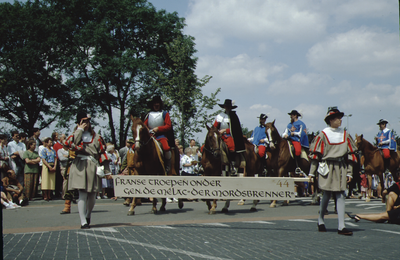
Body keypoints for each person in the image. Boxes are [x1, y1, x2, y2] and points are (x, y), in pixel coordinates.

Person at [308, 106, 358, 236]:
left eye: (340, 118)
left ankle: (341, 226)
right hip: (327, 166)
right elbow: (315, 156)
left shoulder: (345, 135)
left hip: (341, 166)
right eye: (337, 118)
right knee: (327, 194)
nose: (340, 120)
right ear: (330, 120)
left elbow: (350, 155)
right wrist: (311, 173)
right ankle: (320, 220)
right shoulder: (322, 135)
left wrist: (349, 172)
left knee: (341, 194)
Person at [64, 111, 112, 229]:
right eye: (83, 121)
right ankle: (83, 221)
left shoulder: (96, 137)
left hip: (93, 166)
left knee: (92, 195)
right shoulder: (75, 134)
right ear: (79, 122)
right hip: (80, 165)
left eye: (88, 121)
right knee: (82, 194)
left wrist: (107, 171)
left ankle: (88, 214)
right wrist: (79, 130)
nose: (86, 124)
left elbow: (102, 153)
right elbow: (70, 144)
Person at [213, 99, 245, 175]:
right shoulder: (219, 116)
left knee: (231, 146)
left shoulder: (233, 116)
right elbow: (215, 126)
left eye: (228, 107)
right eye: (226, 106)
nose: (227, 108)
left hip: (228, 135)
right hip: (219, 135)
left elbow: (235, 128)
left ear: (231, 107)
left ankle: (232, 164)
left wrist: (225, 130)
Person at [144, 96, 174, 173]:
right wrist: (146, 129)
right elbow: (144, 125)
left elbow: (168, 126)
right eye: (155, 104)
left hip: (161, 136)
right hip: (150, 136)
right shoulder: (148, 115)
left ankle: (167, 165)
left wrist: (158, 129)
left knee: (166, 148)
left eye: (158, 103)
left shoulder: (164, 114)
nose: (156, 105)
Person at [282, 110, 309, 174]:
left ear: (295, 115)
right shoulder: (289, 125)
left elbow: (302, 133)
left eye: (291, 115)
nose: (290, 116)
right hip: (288, 140)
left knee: (297, 151)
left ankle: (298, 167)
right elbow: (285, 132)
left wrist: (294, 133)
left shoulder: (301, 124)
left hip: (296, 140)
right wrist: (285, 135)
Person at [40, 137, 57, 201]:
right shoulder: (44, 150)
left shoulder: (53, 150)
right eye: (49, 142)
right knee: (46, 180)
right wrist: (48, 166)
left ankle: (49, 194)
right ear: (46, 143)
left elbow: (55, 158)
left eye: (51, 142)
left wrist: (55, 166)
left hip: (52, 164)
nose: (51, 143)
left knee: (51, 180)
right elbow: (43, 159)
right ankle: (45, 195)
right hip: (46, 165)